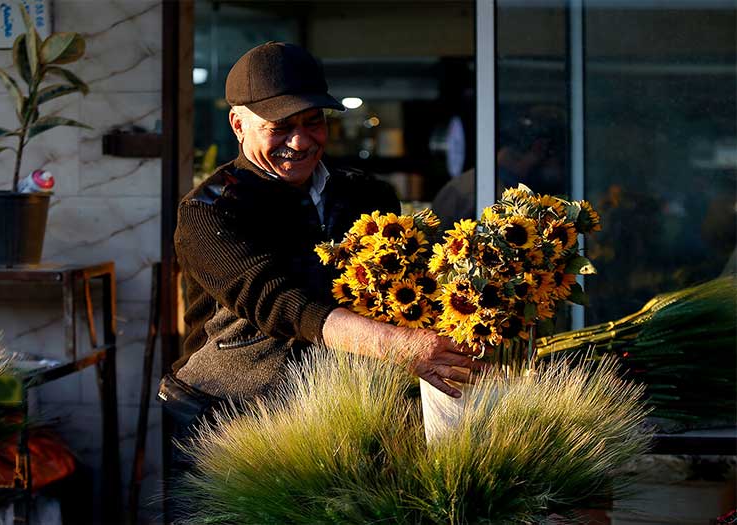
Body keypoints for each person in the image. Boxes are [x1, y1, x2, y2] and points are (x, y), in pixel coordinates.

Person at [162, 42, 482, 447]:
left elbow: (401, 290)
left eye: (313, 122)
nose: (300, 141)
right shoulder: (209, 209)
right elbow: (277, 302)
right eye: (280, 127)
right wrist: (400, 346)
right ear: (238, 125)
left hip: (345, 415)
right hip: (226, 417)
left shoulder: (368, 195)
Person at [431, 106, 566, 229]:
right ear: (540, 147)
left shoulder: (477, 185)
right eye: (558, 160)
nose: (560, 171)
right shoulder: (481, 196)